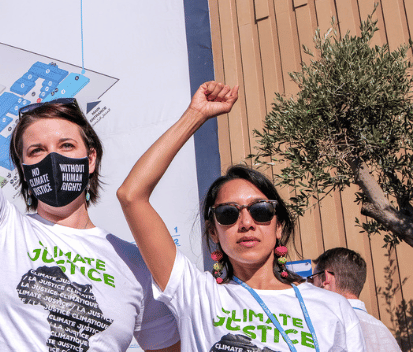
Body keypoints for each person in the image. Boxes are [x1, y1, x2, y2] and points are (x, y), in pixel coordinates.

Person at [0, 0, 180, 351]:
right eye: (36, 150)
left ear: (90, 160)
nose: (52, 158)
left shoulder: (134, 262)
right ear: (22, 167)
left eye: (66, 146)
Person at [117, 81, 366, 351]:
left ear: (278, 225)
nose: (246, 223)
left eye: (260, 210)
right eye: (228, 214)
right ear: (213, 231)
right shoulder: (198, 296)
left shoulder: (332, 307)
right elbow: (132, 195)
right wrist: (196, 115)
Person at [312, 247, 401, 351]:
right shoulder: (384, 332)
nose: (310, 285)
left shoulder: (326, 328)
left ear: (325, 278)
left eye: (311, 278)